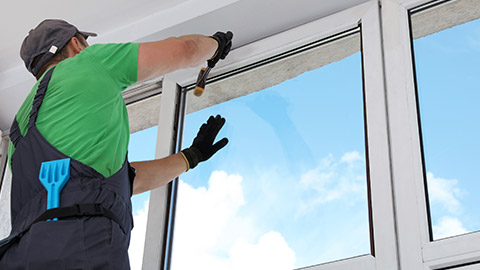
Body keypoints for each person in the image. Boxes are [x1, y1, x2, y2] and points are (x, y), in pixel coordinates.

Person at [0, 19, 232, 269]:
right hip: (80, 246)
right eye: (86, 42)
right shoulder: (88, 63)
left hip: (18, 256)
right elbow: (186, 49)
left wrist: (189, 157)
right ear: (76, 44)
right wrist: (216, 45)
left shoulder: (17, 135)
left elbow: (113, 183)